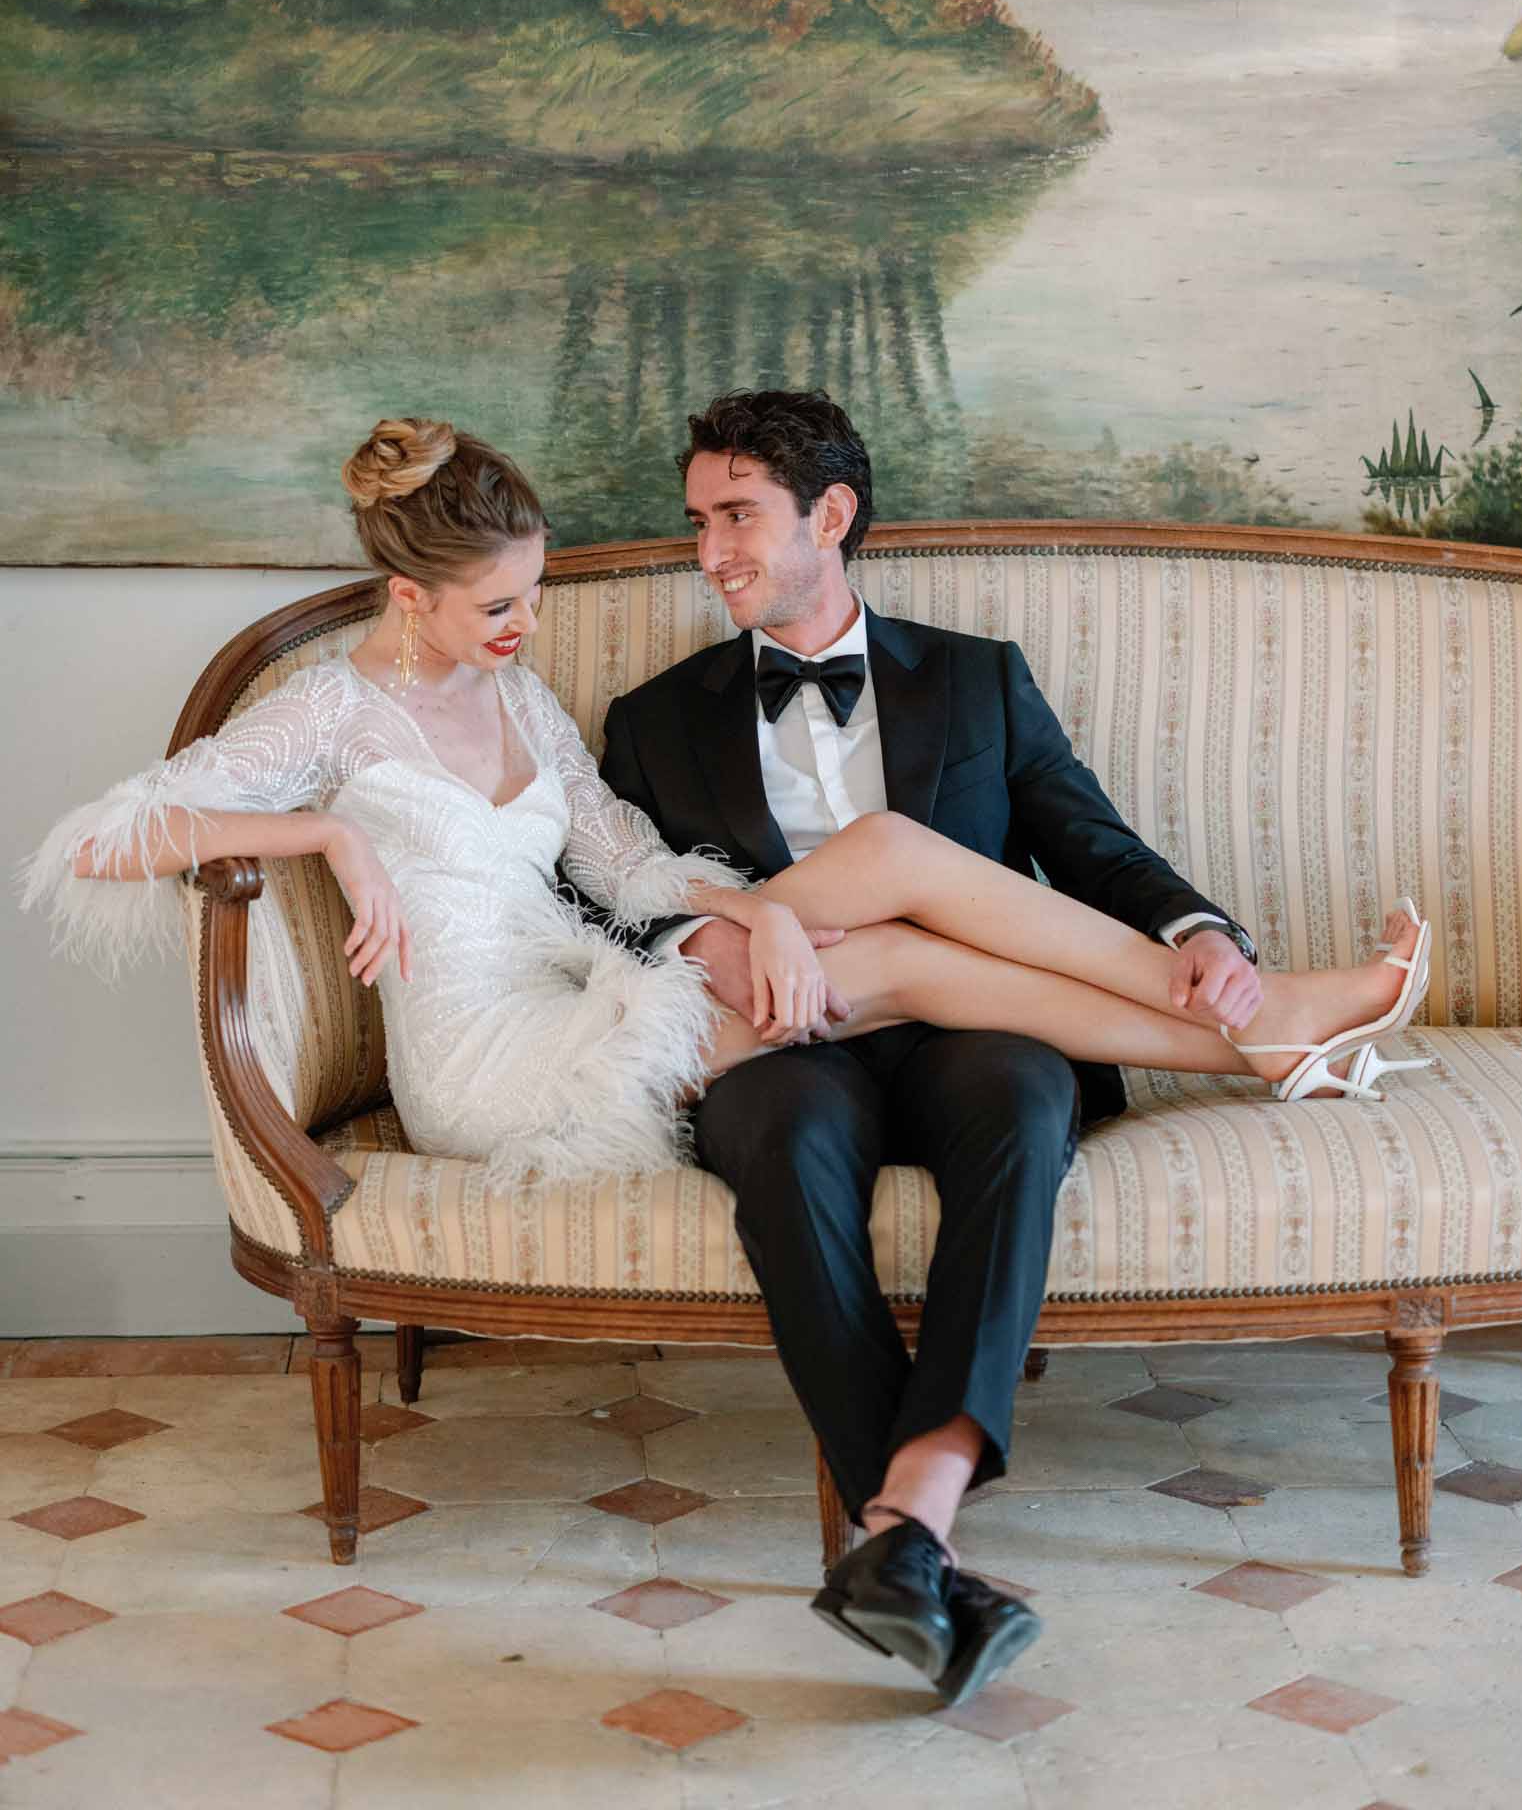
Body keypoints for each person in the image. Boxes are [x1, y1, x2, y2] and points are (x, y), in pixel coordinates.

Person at [23, 412, 1430, 1706]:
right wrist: (327, 837)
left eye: (534, 593)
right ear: (412, 597)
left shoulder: (525, 706)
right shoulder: (331, 712)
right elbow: (102, 840)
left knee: (899, 915)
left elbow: (626, 865)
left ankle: (917, 1525)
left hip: (587, 988)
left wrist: (753, 910)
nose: (527, 626)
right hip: (489, 1052)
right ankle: (1267, 1037)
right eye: (500, 603)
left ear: (834, 515)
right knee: (891, 915)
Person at [597, 387, 1432, 1703]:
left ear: (834, 515)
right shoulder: (651, 718)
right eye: (698, 523)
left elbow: (1086, 839)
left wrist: (1198, 929)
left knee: (1020, 1106)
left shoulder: (977, 677)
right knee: (791, 1140)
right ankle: (915, 1530)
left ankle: (902, 1536)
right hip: (784, 1040)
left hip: (971, 1021)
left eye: (738, 519)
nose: (710, 554)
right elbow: (610, 911)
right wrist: (731, 955)